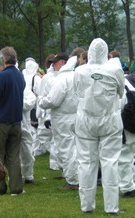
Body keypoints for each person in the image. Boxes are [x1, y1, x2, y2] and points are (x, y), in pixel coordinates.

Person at [74, 38, 125, 215]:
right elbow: (120, 92)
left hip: (86, 120)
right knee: (110, 162)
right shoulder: (115, 70)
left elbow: (77, 91)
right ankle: (112, 207)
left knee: (86, 163)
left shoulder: (80, 71)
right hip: (109, 120)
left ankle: (87, 206)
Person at [0, 46, 26, 195]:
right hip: (16, 121)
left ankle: (0, 187)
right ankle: (16, 187)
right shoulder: (19, 75)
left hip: (1, 121)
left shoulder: (1, 76)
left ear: (3, 59)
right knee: (14, 156)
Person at [39, 55, 79, 190]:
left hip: (63, 118)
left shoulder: (62, 78)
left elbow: (53, 100)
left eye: (55, 63)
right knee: (75, 148)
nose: (52, 66)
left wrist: (41, 102)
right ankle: (76, 176)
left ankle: (72, 180)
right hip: (76, 116)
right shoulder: (76, 76)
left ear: (62, 63)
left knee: (66, 149)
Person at [118, 60, 135, 198]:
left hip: (128, 124)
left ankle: (128, 187)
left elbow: (119, 105)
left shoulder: (124, 83)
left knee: (125, 156)